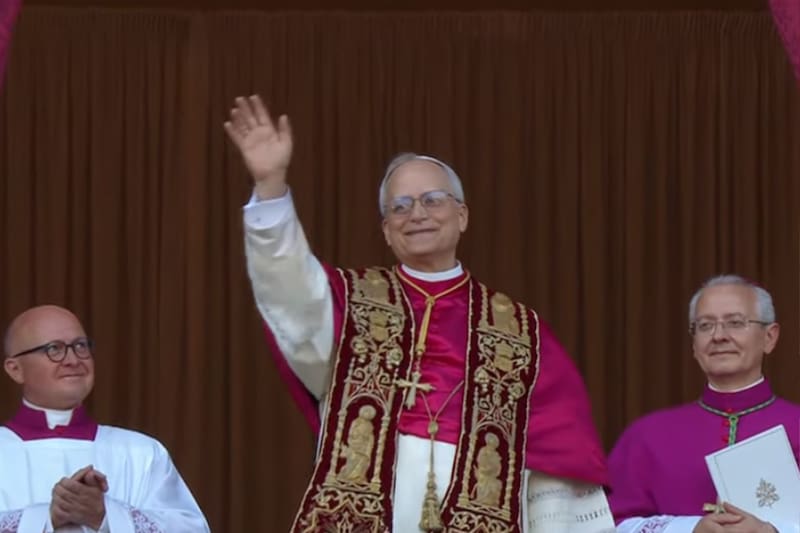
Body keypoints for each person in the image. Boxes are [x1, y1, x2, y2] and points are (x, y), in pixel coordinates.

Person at [225, 94, 615, 532]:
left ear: (462, 215)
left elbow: (561, 454)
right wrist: (271, 187)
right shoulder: (351, 303)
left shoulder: (520, 331)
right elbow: (290, 292)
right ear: (387, 230)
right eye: (400, 206)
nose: (417, 215)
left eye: (433, 199)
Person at [608, 275, 800, 533]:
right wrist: (689, 529)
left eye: (735, 323)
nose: (719, 336)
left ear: (769, 337)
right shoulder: (646, 436)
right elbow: (609, 525)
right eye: (705, 326)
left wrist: (772, 531)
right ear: (694, 344)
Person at [0, 305, 210, 532]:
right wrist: (46, 517)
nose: (72, 360)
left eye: (80, 346)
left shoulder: (142, 453)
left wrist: (104, 514)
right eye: (54, 349)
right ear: (15, 369)